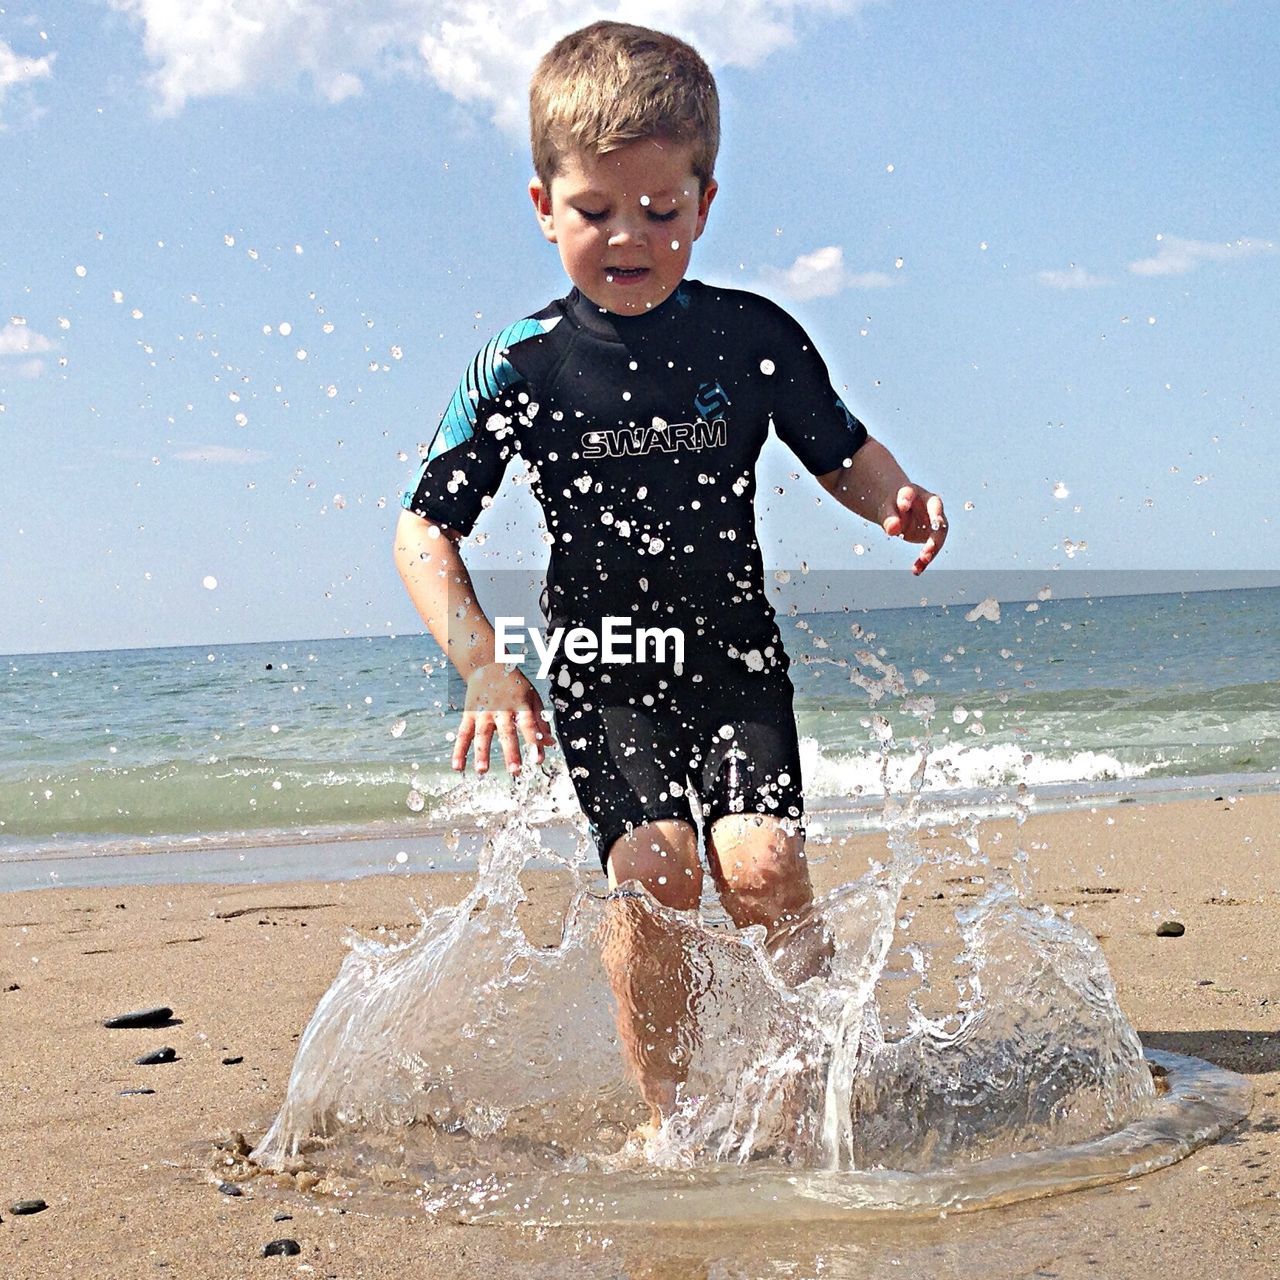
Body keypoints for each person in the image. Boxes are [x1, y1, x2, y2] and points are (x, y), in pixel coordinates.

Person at [394, 20, 947, 1139]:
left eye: (660, 210)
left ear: (702, 202)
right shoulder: (520, 363)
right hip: (606, 670)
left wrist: (890, 495)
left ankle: (813, 1081)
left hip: (733, 657)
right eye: (596, 210)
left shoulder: (752, 339)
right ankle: (672, 1115)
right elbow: (422, 530)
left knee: (760, 860)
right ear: (544, 206)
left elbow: (838, 450)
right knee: (655, 870)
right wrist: (484, 667)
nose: (628, 236)